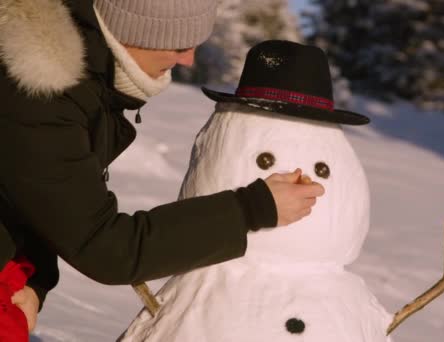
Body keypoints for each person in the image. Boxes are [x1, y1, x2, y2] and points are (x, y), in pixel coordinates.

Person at [0, 0, 325, 337]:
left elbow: (38, 203)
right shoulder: (36, 94)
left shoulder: (76, 83)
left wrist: (34, 283)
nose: (188, 60)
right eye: (179, 45)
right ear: (134, 30)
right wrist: (251, 209)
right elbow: (105, 246)